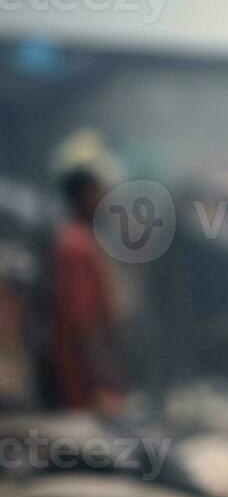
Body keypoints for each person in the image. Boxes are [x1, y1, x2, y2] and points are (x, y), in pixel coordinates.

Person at [51, 168, 123, 413]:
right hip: (83, 381)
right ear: (84, 196)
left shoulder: (78, 240)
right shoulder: (76, 245)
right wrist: (102, 381)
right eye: (98, 192)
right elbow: (84, 322)